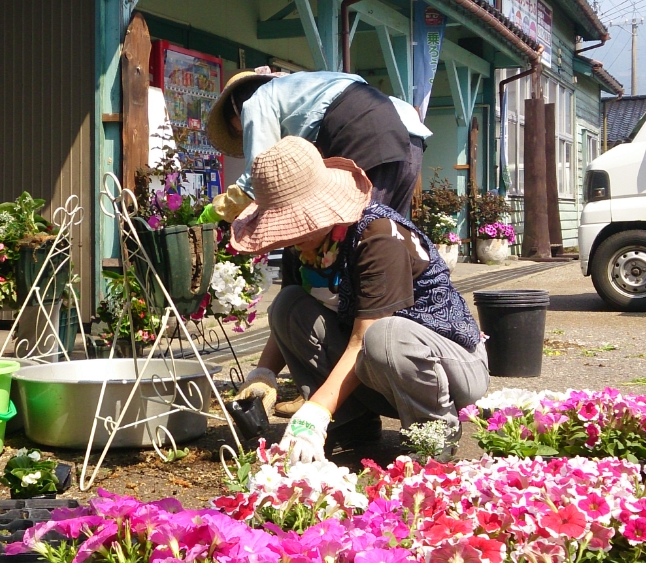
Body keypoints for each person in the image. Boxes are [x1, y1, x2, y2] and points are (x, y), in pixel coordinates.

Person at [231, 136, 488, 464]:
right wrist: (262, 376)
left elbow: (364, 337)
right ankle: (352, 421)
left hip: (452, 366)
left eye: (294, 225)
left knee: (385, 336)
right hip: (382, 367)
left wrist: (317, 409)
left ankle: (433, 433)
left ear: (322, 210)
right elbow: (290, 324)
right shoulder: (306, 243)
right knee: (288, 307)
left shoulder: (378, 235)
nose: (289, 238)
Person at [205, 68, 430, 220]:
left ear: (238, 109)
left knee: (363, 240)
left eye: (240, 129)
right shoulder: (302, 88)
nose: (246, 134)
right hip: (409, 137)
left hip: (367, 138)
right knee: (393, 236)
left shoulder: (257, 100)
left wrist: (217, 212)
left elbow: (259, 178)